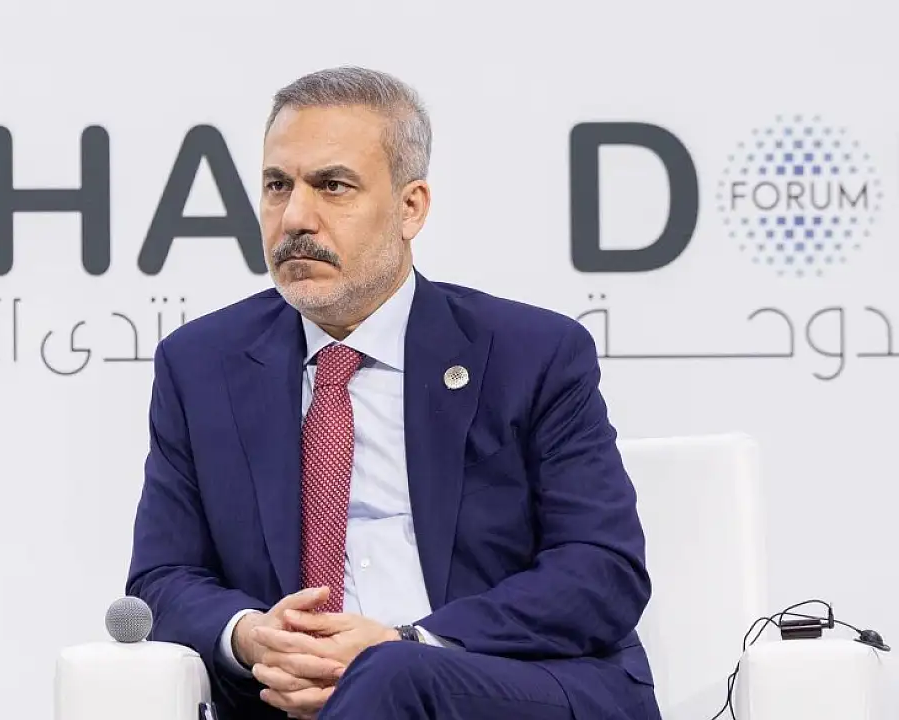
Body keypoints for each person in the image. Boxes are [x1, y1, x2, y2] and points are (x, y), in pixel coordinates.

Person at [126, 66, 659, 720]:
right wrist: (251, 636)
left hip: (496, 684)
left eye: (333, 186)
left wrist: (406, 644)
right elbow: (161, 579)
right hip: (287, 698)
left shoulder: (533, 355)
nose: (295, 217)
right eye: (277, 185)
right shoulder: (201, 364)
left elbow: (601, 570)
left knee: (390, 675)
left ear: (411, 208)